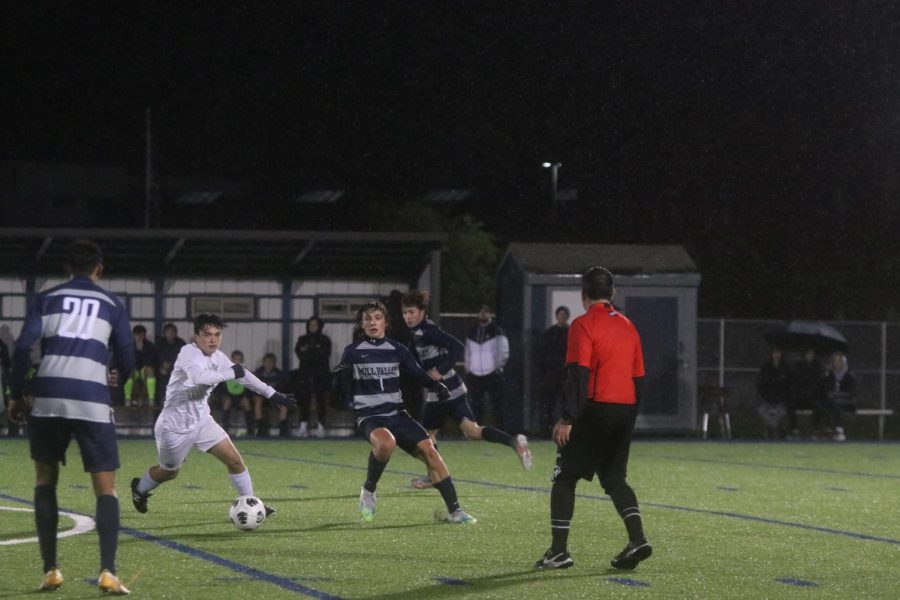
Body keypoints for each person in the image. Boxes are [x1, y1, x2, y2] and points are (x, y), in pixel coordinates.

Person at [7, 239, 134, 594]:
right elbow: (126, 354)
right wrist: (119, 382)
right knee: (105, 488)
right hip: (91, 399)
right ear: (99, 268)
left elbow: (21, 348)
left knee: (45, 480)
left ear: (66, 269)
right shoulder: (112, 303)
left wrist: (17, 394)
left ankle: (51, 571)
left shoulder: (46, 299)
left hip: (48, 397)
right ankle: (108, 571)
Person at [535, 266, 651, 571]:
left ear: (584, 295)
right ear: (611, 293)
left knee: (565, 476)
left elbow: (579, 372)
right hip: (624, 408)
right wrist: (628, 414)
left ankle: (558, 552)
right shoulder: (629, 326)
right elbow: (639, 377)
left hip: (595, 408)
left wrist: (568, 417)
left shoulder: (582, 324)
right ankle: (637, 539)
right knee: (614, 478)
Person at [129, 313, 297, 518]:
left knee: (235, 461)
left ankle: (250, 503)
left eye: (217, 334)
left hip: (201, 421)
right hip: (173, 426)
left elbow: (242, 374)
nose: (213, 339)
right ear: (196, 336)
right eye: (207, 334)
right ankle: (140, 489)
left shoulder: (218, 357)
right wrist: (232, 373)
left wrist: (272, 394)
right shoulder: (188, 353)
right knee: (170, 472)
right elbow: (198, 377)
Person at [334, 300, 475, 524]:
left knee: (430, 451)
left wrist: (437, 386)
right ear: (361, 324)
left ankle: (455, 511)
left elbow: (418, 373)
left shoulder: (397, 349)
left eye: (377, 318)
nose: (373, 322)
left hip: (397, 414)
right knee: (386, 443)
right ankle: (369, 490)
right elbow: (341, 384)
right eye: (367, 318)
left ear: (385, 323)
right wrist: (339, 380)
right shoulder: (352, 352)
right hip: (370, 415)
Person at [401, 290, 531, 490]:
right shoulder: (418, 333)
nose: (407, 317)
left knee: (425, 437)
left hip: (443, 391)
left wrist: (440, 370)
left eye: (411, 312)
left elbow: (458, 347)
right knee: (471, 431)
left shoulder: (428, 331)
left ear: (422, 312)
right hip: (453, 388)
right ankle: (515, 443)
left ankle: (434, 475)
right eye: (405, 313)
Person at [464, 304, 509, 429]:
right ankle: (476, 430)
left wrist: (498, 367)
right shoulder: (472, 331)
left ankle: (499, 430)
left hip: (492, 373)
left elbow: (503, 350)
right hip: (475, 373)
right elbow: (468, 351)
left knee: (496, 404)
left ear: (489, 314)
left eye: (485, 312)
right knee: (476, 404)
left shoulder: (496, 330)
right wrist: (469, 368)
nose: (483, 314)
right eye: (481, 312)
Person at [294, 316, 332, 438]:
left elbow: (324, 355)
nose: (312, 327)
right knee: (304, 400)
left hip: (320, 375)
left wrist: (309, 352)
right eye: (310, 324)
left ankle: (321, 426)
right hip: (305, 374)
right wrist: (314, 351)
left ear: (319, 326)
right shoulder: (302, 339)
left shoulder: (325, 340)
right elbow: (300, 353)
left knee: (320, 401)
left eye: (315, 324)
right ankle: (303, 426)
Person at [537, 306, 571, 437]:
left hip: (566, 375)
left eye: (564, 315)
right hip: (551, 375)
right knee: (548, 405)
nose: (562, 317)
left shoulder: (571, 332)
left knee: (566, 406)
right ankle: (546, 432)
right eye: (560, 315)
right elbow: (542, 355)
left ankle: (566, 432)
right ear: (556, 316)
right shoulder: (549, 333)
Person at [755, 346, 791, 439]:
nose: (776, 355)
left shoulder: (785, 367)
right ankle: (773, 429)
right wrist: (765, 394)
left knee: (780, 412)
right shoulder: (766, 367)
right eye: (775, 353)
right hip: (767, 398)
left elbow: (788, 384)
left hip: (781, 399)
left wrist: (782, 395)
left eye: (778, 353)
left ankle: (771, 429)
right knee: (763, 410)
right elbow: (761, 383)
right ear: (771, 354)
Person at [790, 348, 826, 438]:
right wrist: (798, 393)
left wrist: (814, 394)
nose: (810, 355)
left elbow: (820, 384)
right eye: (808, 353)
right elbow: (794, 382)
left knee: (818, 406)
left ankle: (816, 431)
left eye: (812, 353)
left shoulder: (818, 366)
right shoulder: (798, 365)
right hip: (800, 397)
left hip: (812, 398)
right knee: (790, 406)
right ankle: (794, 430)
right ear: (805, 354)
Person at [251, 352, 288, 437]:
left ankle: (283, 430)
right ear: (263, 363)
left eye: (271, 362)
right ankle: (260, 428)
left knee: (284, 404)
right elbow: (254, 387)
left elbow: (283, 388)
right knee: (258, 402)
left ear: (274, 363)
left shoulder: (279, 374)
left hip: (274, 397)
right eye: (267, 362)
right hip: (262, 397)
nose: (269, 364)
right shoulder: (258, 373)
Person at [822, 351, 856, 442]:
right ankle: (826, 430)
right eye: (835, 360)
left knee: (836, 404)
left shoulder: (849, 374)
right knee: (823, 404)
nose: (837, 362)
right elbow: (826, 388)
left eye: (839, 360)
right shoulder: (830, 374)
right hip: (833, 401)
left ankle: (839, 431)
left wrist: (839, 394)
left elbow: (852, 392)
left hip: (848, 401)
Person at [123, 325, 158, 407]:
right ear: (134, 335)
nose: (139, 337)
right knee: (128, 372)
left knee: (150, 370)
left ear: (144, 335)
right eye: (137, 335)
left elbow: (152, 361)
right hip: (133, 371)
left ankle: (151, 399)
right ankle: (127, 399)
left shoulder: (150, 346)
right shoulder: (129, 346)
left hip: (144, 370)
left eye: (141, 335)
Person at [155, 323, 186, 407]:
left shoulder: (181, 343)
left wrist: (173, 365)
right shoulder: (160, 343)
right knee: (162, 376)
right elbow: (156, 357)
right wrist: (161, 365)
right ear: (164, 333)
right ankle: (162, 400)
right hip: (162, 369)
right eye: (168, 332)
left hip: (177, 368)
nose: (171, 334)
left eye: (173, 332)